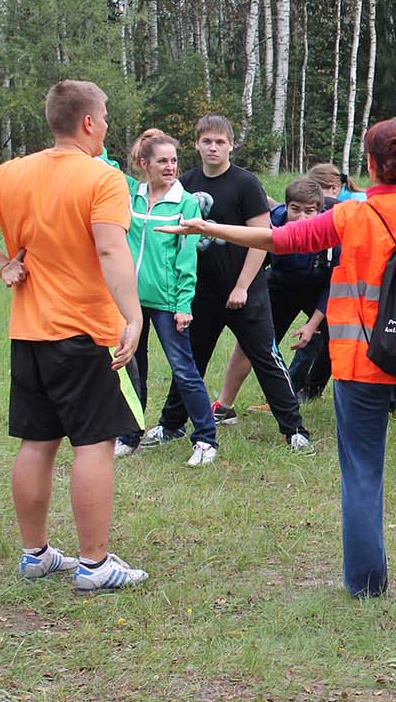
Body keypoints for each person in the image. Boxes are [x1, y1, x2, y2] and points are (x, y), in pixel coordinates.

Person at [157, 120, 396, 600]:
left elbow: (279, 239)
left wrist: (206, 227)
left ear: (370, 165)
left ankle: (365, 584)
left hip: (358, 368)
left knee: (362, 475)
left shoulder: (349, 216)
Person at [0, 79, 150, 590]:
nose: (106, 126)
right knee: (95, 443)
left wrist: (2, 264)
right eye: (105, 117)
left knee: (37, 442)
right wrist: (133, 316)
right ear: (88, 122)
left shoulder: (13, 172)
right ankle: (94, 565)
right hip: (85, 330)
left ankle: (35, 554)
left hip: (31, 331)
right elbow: (111, 250)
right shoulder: (103, 178)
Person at [141, 115, 312, 452]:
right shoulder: (185, 183)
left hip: (245, 291)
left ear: (231, 145)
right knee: (190, 360)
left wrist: (242, 286)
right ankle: (171, 424)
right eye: (207, 141)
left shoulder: (245, 184)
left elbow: (262, 239)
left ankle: (294, 429)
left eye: (220, 141)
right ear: (197, 144)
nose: (213, 147)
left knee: (265, 357)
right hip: (201, 293)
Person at [111, 130, 218, 467]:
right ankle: (129, 435)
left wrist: (184, 305)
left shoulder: (186, 203)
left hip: (168, 303)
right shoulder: (131, 194)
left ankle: (206, 439)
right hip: (131, 301)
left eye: (173, 160)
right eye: (162, 161)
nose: (170, 167)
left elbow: (187, 258)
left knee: (184, 370)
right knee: (132, 368)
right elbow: (102, 162)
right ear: (144, 164)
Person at [212, 178, 339, 422]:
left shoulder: (332, 228)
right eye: (295, 209)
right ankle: (224, 406)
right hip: (281, 286)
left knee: (346, 338)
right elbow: (254, 255)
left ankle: (379, 403)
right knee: (250, 340)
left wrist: (312, 324)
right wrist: (241, 288)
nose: (301, 218)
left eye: (309, 211)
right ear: (286, 206)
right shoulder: (272, 220)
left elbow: (335, 284)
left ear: (320, 211)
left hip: (321, 286)